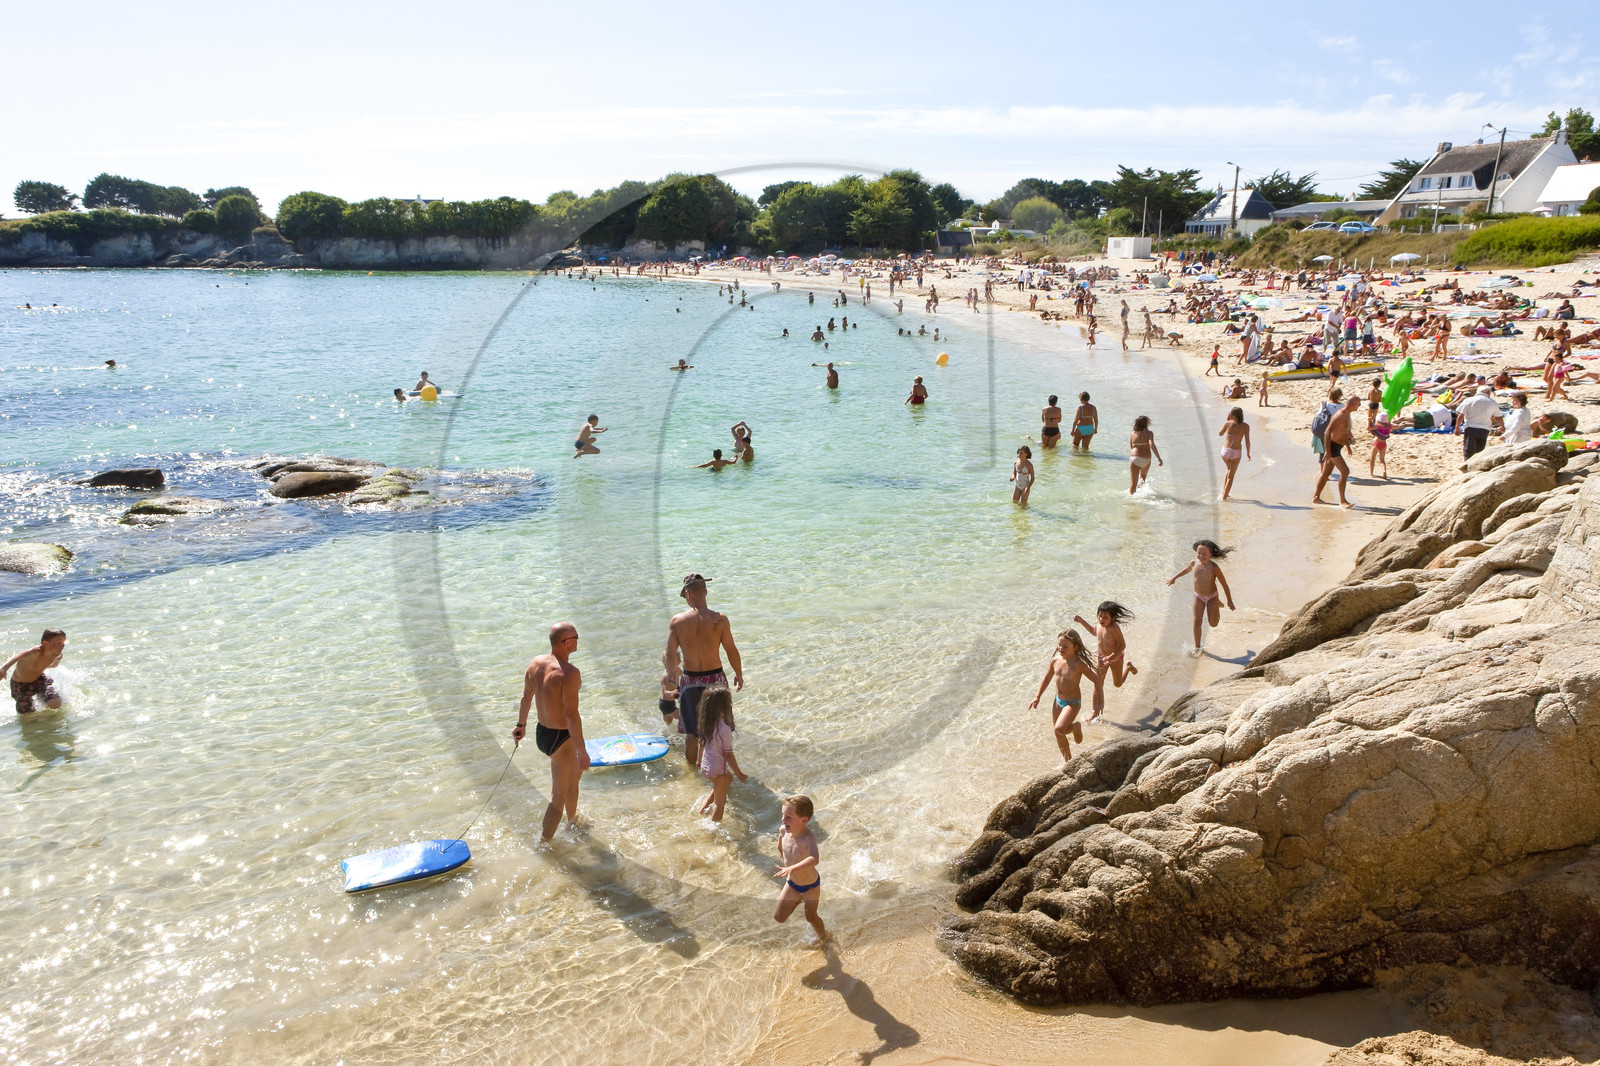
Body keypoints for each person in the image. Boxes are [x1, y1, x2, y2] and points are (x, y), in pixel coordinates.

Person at [511, 622, 590, 844]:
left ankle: (573, 821)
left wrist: (520, 726)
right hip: (562, 738)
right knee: (558, 796)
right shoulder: (570, 673)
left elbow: (526, 698)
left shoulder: (535, 663)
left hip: (543, 733)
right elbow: (571, 715)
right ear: (567, 643)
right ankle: (543, 844)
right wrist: (582, 750)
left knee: (573, 779)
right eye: (576, 636)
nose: (578, 639)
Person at [664, 573, 743, 769]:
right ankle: (719, 772)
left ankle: (692, 774)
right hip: (715, 680)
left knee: (692, 734)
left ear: (688, 593)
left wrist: (671, 673)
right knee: (720, 730)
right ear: (705, 592)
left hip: (690, 681)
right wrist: (739, 674)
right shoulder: (720, 619)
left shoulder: (677, 621)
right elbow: (731, 650)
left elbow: (670, 654)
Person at [1026, 629, 1102, 762]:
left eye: (1065, 646)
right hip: (1058, 701)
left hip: (1072, 703)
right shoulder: (1055, 661)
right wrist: (1037, 696)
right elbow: (1046, 678)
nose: (1061, 648)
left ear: (1075, 647)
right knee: (1058, 733)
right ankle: (1068, 761)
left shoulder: (1078, 664)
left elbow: (1096, 680)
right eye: (1059, 645)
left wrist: (1099, 702)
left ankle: (1075, 727)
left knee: (1060, 729)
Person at [775, 795, 829, 944]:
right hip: (793, 883)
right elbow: (780, 846)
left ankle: (825, 939)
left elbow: (814, 859)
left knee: (811, 917)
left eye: (788, 817)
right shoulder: (783, 831)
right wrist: (783, 857)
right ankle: (799, 898)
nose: (783, 820)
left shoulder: (808, 837)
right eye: (783, 815)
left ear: (804, 820)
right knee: (779, 917)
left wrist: (791, 867)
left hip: (811, 885)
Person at [1167, 541, 1235, 657]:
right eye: (1199, 553)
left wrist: (1229, 601)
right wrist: (1174, 578)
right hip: (1198, 597)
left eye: (1204, 554)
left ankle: (1217, 603)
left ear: (1211, 554)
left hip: (1212, 596)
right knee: (1196, 621)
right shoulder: (1194, 563)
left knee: (1213, 624)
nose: (1201, 556)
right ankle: (1197, 647)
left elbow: (1224, 585)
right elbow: (1186, 570)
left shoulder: (1214, 568)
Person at [1072, 603, 1136, 720]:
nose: (1101, 619)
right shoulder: (1099, 624)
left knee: (1117, 684)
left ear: (1113, 618)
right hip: (1101, 658)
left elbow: (1122, 645)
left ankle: (1128, 667)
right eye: (1100, 616)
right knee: (1098, 684)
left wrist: (1110, 657)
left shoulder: (1114, 628)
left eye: (1105, 617)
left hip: (1115, 658)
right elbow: (1093, 631)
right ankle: (1094, 713)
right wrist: (1081, 621)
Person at [694, 689, 746, 824]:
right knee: (720, 803)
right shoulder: (724, 728)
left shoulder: (706, 724)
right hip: (717, 770)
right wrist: (739, 774)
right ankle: (714, 829)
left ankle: (703, 809)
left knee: (728, 779)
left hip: (706, 766)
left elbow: (701, 744)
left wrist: (699, 761)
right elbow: (728, 754)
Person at [3, 629, 66, 714]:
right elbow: (18, 655)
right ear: (45, 644)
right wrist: (4, 669)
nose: (62, 645)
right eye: (59, 643)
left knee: (55, 703)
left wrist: (48, 665)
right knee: (27, 715)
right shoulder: (36, 651)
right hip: (20, 685)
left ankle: (47, 716)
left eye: (63, 642)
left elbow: (54, 665)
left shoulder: (57, 655)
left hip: (39, 680)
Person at [1314, 396, 1361, 508]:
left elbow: (1345, 432)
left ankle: (1316, 497)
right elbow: (1327, 432)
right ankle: (1342, 501)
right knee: (1345, 471)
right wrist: (1327, 451)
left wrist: (1348, 446)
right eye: (1358, 404)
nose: (1359, 406)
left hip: (1338, 446)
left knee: (1326, 473)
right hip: (1332, 447)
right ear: (1351, 404)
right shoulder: (1339, 415)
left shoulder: (1347, 414)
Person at [1454, 385, 1503, 460]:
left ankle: (1467, 464)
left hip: (1471, 427)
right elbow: (1498, 417)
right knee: (1480, 451)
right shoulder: (1492, 402)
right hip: (1485, 429)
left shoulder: (1468, 400)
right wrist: (1502, 426)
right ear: (1488, 392)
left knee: (1469, 450)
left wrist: (1457, 427)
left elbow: (1461, 415)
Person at [1218, 407, 1252, 501]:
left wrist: (1227, 420)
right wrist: (1248, 453)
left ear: (1231, 415)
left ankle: (1224, 492)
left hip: (1225, 451)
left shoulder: (1227, 423)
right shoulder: (1245, 426)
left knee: (1229, 469)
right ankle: (1224, 498)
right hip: (1236, 452)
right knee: (1231, 476)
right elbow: (1247, 442)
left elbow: (1220, 434)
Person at [1128, 415, 1162, 494]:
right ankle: (1141, 496)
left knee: (1133, 483)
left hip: (1135, 458)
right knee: (1142, 480)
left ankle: (1132, 499)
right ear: (1146, 423)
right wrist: (1159, 458)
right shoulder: (1149, 433)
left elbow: (1131, 446)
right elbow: (1152, 445)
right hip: (1146, 459)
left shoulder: (1132, 433)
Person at [1369, 411, 1391, 478]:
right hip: (1384, 443)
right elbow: (1395, 426)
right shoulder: (1389, 426)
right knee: (1382, 460)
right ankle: (1384, 471)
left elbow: (1369, 428)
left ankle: (1371, 472)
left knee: (1373, 458)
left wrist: (1369, 421)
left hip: (1377, 443)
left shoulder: (1378, 426)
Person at [658, 666, 679, 730]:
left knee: (668, 725)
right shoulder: (665, 676)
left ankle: (663, 733)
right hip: (666, 704)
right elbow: (665, 692)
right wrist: (673, 692)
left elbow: (684, 674)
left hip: (669, 703)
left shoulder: (677, 669)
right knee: (685, 718)